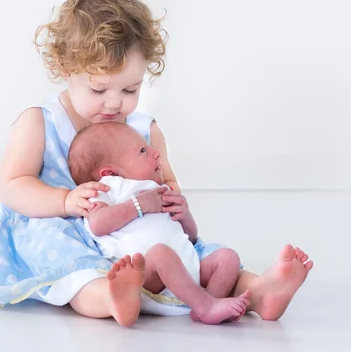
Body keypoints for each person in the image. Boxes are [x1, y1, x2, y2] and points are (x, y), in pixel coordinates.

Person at [0, 0, 313, 328]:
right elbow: (13, 186)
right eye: (99, 89)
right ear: (65, 68)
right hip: (64, 227)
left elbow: (165, 180)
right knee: (75, 269)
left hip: (141, 231)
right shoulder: (40, 122)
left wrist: (172, 198)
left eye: (130, 89)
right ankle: (111, 297)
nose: (115, 102)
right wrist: (64, 200)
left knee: (204, 258)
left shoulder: (143, 128)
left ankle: (260, 292)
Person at [67, 122, 252, 324]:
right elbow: (98, 224)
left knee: (228, 258)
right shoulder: (106, 189)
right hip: (148, 275)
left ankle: (209, 302)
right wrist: (139, 205)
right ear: (111, 173)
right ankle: (205, 305)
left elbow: (190, 238)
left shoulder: (158, 187)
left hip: (186, 269)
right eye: (143, 150)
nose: (156, 152)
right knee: (160, 253)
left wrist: (185, 215)